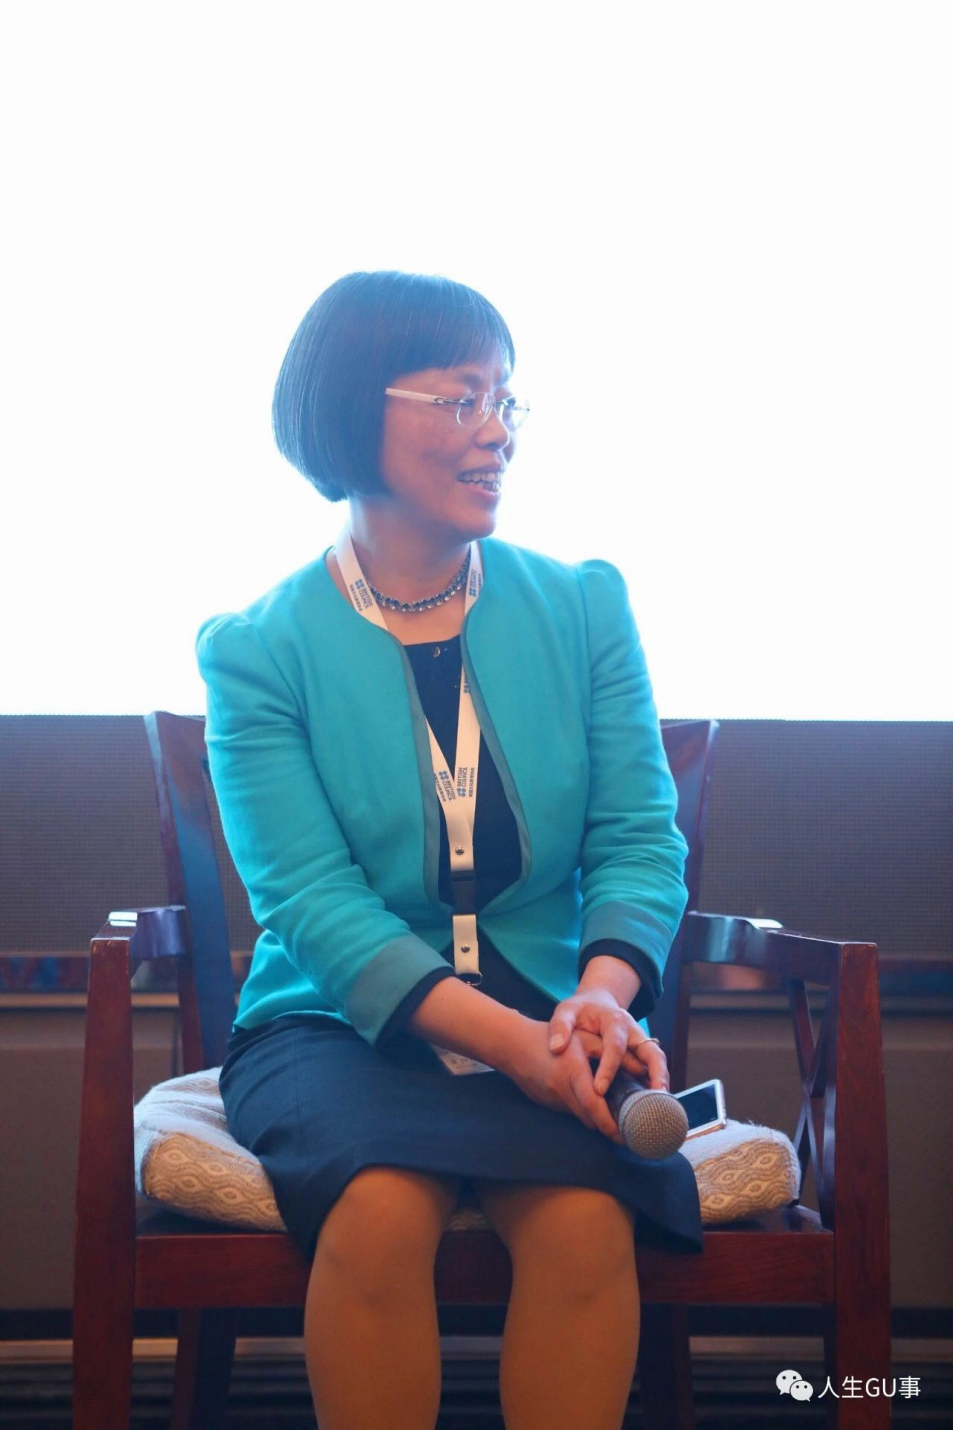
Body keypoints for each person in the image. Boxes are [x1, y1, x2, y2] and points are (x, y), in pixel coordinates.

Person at [196, 270, 703, 1430]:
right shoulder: (256, 650)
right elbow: (311, 903)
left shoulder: (583, 606)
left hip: (550, 1005)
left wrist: (597, 996)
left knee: (584, 1219)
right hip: (333, 1025)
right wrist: (514, 1049)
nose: (497, 431)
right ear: (349, 407)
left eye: (506, 400)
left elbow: (638, 837)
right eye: (462, 398)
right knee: (378, 1207)